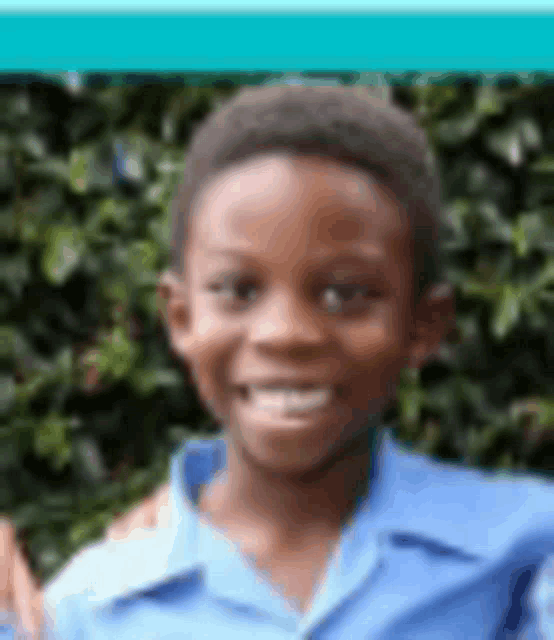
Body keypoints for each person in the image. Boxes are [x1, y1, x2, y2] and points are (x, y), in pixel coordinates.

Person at [2, 85, 554, 639]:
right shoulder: (84, 611)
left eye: (345, 294)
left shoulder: (523, 546)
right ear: (180, 317)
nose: (286, 335)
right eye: (238, 290)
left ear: (423, 325)